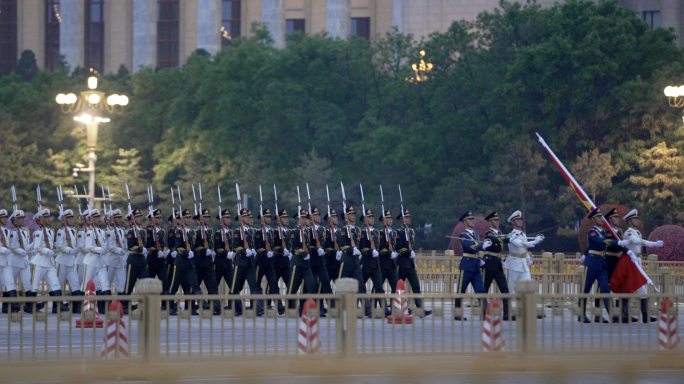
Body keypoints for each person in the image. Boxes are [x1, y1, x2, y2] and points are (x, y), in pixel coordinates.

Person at [577, 207, 635, 323]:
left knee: (605, 290)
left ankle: (612, 315)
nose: (601, 219)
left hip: (602, 264)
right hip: (592, 264)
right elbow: (602, 242)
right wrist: (618, 242)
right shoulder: (592, 232)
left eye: (601, 216)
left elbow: (594, 245)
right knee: (586, 290)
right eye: (598, 217)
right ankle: (581, 315)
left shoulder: (602, 232)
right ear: (594, 220)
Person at [623, 209, 663, 323]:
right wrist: (653, 244)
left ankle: (643, 315)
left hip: (637, 260)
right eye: (634, 219)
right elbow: (636, 241)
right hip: (631, 262)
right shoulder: (628, 233)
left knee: (637, 287)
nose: (637, 221)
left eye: (637, 219)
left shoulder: (638, 231)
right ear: (629, 221)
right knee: (633, 288)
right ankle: (628, 314)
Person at [454, 210, 491, 321]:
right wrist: (482, 246)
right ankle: (458, 313)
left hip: (475, 265)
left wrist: (480, 259)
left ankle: (485, 313)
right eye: (470, 219)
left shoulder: (475, 234)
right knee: (461, 290)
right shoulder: (463, 235)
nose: (472, 221)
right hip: (467, 266)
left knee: (481, 291)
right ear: (465, 222)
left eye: (472, 219)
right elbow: (470, 247)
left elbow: (475, 248)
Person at [395, 208, 431, 316]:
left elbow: (412, 243)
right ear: (401, 220)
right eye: (406, 217)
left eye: (409, 217)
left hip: (410, 263)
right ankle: (398, 307)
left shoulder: (411, 231)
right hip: (402, 263)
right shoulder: (399, 232)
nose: (409, 219)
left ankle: (420, 309)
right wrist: (407, 252)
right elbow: (398, 247)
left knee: (416, 286)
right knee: (399, 287)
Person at [31, 209, 68, 313]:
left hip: (49, 262)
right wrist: (46, 250)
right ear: (41, 220)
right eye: (46, 217)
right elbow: (37, 247)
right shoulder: (38, 232)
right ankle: (30, 306)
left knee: (55, 284)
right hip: (40, 262)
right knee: (35, 285)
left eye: (49, 217)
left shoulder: (50, 231)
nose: (48, 219)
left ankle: (58, 306)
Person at [169, 209, 203, 316]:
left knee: (193, 285)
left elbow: (196, 246)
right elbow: (178, 247)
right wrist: (185, 252)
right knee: (174, 286)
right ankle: (169, 307)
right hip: (180, 263)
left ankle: (199, 304)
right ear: (182, 220)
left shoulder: (192, 233)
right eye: (186, 218)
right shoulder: (179, 232)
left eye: (189, 218)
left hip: (190, 263)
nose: (189, 220)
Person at [230, 208, 263, 316]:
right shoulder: (238, 231)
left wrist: (253, 250)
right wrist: (245, 251)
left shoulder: (251, 231)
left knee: (254, 286)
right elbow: (235, 247)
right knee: (236, 287)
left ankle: (258, 308)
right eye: (246, 217)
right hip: (240, 262)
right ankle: (235, 308)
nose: (249, 219)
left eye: (249, 217)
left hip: (250, 262)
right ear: (241, 218)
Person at [504, 210, 543, 294]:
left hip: (523, 264)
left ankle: (526, 306)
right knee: (511, 288)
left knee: (528, 287)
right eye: (518, 220)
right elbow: (521, 245)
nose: (520, 221)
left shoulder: (523, 234)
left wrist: (528, 258)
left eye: (521, 219)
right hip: (514, 264)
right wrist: (534, 242)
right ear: (513, 222)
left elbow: (524, 250)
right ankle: (508, 306)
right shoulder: (511, 235)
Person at [482, 211, 511, 321]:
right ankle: (483, 313)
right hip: (489, 264)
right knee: (484, 289)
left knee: (505, 289)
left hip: (498, 264)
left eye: (498, 220)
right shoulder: (488, 234)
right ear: (490, 222)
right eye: (495, 220)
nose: (497, 222)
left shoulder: (499, 234)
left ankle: (507, 313)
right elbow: (494, 239)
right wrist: (508, 239)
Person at [81, 209, 110, 313]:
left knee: (105, 283)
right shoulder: (90, 232)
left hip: (101, 262)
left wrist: (104, 249)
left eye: (98, 217)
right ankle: (82, 306)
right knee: (86, 283)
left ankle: (104, 307)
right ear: (91, 219)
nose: (98, 219)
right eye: (95, 217)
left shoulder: (102, 232)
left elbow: (105, 245)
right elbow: (88, 247)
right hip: (91, 261)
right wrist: (98, 249)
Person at [255, 208, 283, 314]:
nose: (269, 219)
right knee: (256, 285)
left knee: (274, 284)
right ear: (262, 219)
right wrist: (265, 252)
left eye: (270, 217)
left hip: (270, 263)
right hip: (261, 262)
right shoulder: (259, 232)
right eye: (267, 217)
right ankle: (259, 306)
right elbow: (257, 247)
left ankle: (279, 306)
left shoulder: (272, 232)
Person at [192, 208, 220, 314]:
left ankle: (214, 307)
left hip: (208, 262)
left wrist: (210, 252)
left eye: (208, 217)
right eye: (205, 217)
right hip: (199, 262)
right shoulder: (196, 231)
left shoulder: (210, 231)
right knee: (196, 286)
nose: (207, 219)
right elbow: (195, 247)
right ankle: (192, 306)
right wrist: (204, 250)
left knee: (212, 285)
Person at [358, 208, 386, 317]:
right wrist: (370, 251)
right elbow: (362, 248)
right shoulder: (363, 232)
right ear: (365, 220)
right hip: (366, 263)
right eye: (369, 217)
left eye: (372, 217)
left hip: (376, 264)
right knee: (361, 286)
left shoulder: (377, 232)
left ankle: (384, 309)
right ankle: (359, 308)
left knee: (379, 287)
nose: (372, 219)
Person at [53, 209, 81, 313]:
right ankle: (56, 307)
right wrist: (68, 249)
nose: (71, 219)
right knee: (58, 285)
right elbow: (59, 246)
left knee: (75, 284)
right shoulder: (61, 231)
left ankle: (76, 307)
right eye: (69, 218)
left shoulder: (73, 230)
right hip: (63, 261)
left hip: (72, 262)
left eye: (72, 217)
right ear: (64, 220)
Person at [214, 208, 240, 314]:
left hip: (229, 264)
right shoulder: (218, 233)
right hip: (219, 263)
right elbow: (217, 248)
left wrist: (232, 252)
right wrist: (226, 253)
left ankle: (236, 307)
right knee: (214, 286)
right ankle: (215, 307)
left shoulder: (230, 233)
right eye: (226, 218)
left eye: (229, 218)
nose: (229, 220)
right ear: (221, 220)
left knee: (234, 286)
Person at [306, 207, 332, 316]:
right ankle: (315, 308)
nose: (318, 217)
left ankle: (333, 307)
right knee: (312, 285)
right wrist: (316, 250)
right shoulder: (308, 230)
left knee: (326, 284)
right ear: (311, 217)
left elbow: (326, 245)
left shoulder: (322, 230)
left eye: (319, 215)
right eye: (316, 215)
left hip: (321, 262)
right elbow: (307, 246)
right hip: (311, 261)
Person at [123, 208, 149, 313]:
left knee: (146, 283)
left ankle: (146, 304)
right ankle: (124, 306)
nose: (140, 218)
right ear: (133, 219)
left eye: (140, 216)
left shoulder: (142, 231)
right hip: (133, 260)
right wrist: (140, 249)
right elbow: (130, 247)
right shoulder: (130, 232)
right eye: (137, 217)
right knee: (129, 284)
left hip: (142, 261)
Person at [104, 209, 127, 310]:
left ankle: (123, 305)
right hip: (111, 261)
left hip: (120, 261)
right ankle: (105, 304)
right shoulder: (109, 231)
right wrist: (118, 250)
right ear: (112, 219)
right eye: (117, 218)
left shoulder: (121, 230)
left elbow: (124, 244)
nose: (119, 219)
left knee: (122, 283)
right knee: (107, 283)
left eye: (119, 217)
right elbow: (109, 246)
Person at [377, 209, 399, 314]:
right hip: (383, 263)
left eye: (391, 218)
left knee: (396, 286)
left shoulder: (394, 233)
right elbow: (380, 248)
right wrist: (389, 253)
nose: (390, 220)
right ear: (383, 220)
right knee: (378, 286)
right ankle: (373, 306)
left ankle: (396, 307)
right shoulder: (381, 233)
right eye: (388, 218)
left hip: (392, 264)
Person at [146, 209, 171, 299]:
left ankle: (166, 304)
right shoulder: (149, 231)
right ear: (152, 220)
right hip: (152, 260)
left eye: (160, 217)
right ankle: (147, 303)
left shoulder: (162, 231)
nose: (159, 219)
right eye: (157, 218)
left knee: (165, 282)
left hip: (160, 261)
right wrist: (156, 251)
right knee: (149, 284)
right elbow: (148, 245)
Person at [0, 209, 21, 313]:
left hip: (6, 261)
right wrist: (3, 249)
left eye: (5, 217)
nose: (5, 219)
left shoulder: (7, 230)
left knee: (10, 283)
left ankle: (13, 305)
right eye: (3, 217)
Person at [272, 209, 291, 313]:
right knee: (274, 286)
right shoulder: (276, 232)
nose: (287, 220)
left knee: (291, 285)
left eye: (287, 218)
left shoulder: (288, 232)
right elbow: (274, 246)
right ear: (279, 220)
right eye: (284, 218)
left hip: (286, 263)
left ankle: (290, 306)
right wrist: (281, 250)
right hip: (277, 262)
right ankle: (273, 305)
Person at [323, 209, 341, 287]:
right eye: (333, 217)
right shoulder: (326, 232)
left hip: (339, 264)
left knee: (340, 287)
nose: (336, 218)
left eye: (336, 216)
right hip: (329, 263)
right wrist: (335, 252)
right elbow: (326, 247)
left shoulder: (340, 232)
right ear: (329, 220)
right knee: (325, 287)